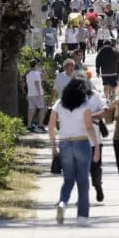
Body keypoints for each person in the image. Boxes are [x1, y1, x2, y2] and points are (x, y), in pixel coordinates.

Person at [48, 75, 100, 226]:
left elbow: (51, 126)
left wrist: (53, 146)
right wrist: (96, 147)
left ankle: (62, 203)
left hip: (64, 144)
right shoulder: (84, 104)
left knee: (68, 180)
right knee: (83, 181)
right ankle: (82, 216)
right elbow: (89, 127)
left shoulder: (59, 104)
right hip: (82, 142)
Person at [78, 73, 108, 203]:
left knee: (95, 167)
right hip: (77, 139)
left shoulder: (95, 96)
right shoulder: (71, 98)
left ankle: (98, 186)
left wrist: (92, 116)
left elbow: (105, 110)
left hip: (94, 139)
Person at [25, 59, 47, 133]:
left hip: (30, 94)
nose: (38, 66)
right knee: (42, 109)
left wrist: (43, 71)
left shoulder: (28, 74)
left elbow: (43, 79)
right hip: (37, 94)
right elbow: (37, 83)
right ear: (35, 65)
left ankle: (29, 126)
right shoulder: (37, 73)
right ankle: (40, 125)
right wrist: (39, 94)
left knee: (31, 109)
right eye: (38, 65)